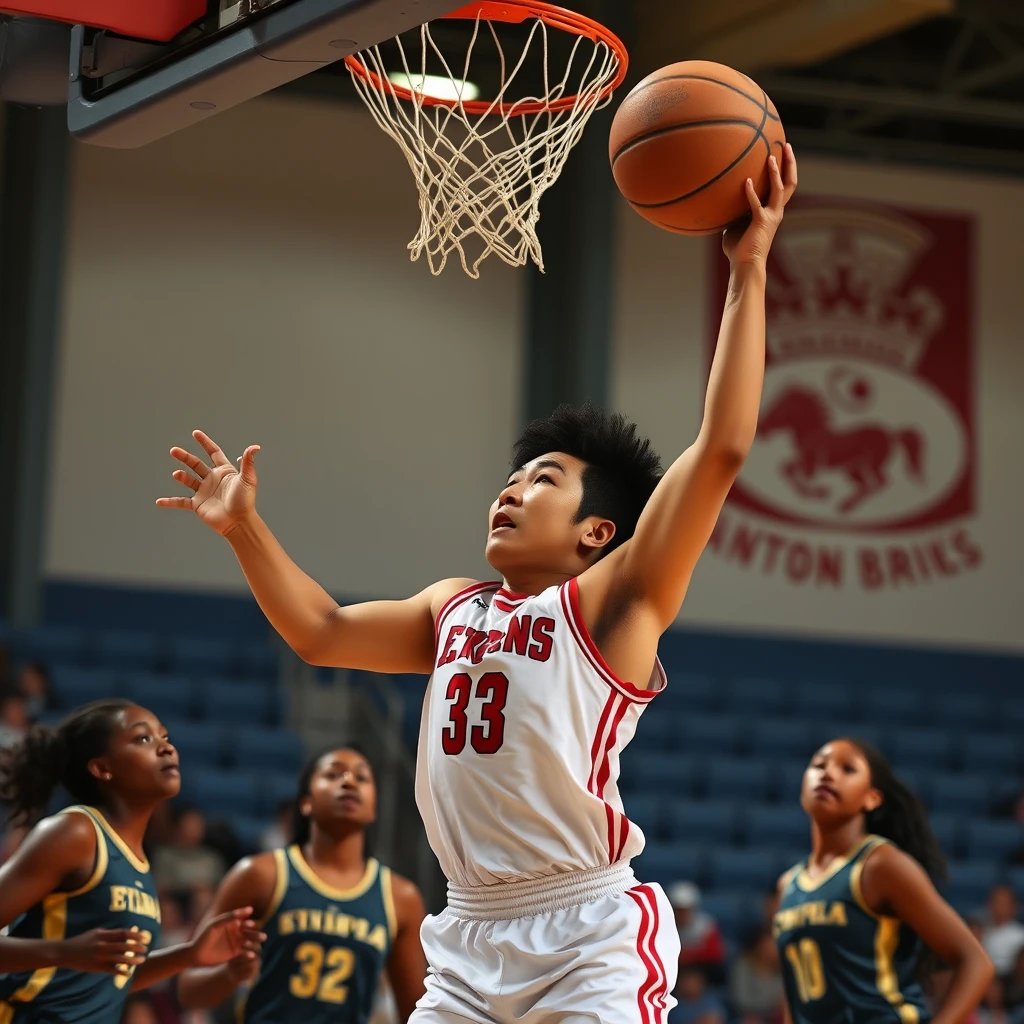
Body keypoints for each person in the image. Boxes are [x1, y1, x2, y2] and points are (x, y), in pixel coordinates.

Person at [157, 146, 800, 1023]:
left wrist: (748, 268)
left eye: (543, 480)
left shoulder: (613, 601)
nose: (510, 489)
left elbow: (721, 448)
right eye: (510, 476)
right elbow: (321, 631)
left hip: (587, 932)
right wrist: (244, 529)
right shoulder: (450, 605)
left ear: (597, 534)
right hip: (466, 936)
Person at [0, 699, 263, 1023]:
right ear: (102, 768)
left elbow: (109, 980)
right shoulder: (76, 832)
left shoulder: (136, 858)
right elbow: (75, 961)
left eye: (165, 737)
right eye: (143, 739)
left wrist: (190, 953)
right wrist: (64, 952)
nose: (166, 748)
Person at [178, 746, 427, 1023]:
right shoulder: (259, 875)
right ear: (305, 802)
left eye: (362, 778)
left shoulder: (400, 897)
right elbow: (188, 990)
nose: (348, 782)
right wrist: (229, 975)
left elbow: (415, 1014)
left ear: (374, 808)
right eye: (333, 775)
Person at [775, 737, 993, 1024]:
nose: (827, 773)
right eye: (818, 765)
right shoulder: (788, 883)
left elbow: (976, 962)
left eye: (847, 769)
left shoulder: (880, 865)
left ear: (872, 798)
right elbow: (797, 997)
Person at [669, 881, 726, 982]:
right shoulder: (663, 925)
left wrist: (687, 955)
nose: (682, 914)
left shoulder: (706, 925)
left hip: (700, 970)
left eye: (686, 909)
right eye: (679, 910)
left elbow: (715, 954)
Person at [729, 929, 784, 1023]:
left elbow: (782, 999)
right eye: (766, 946)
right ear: (759, 946)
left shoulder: (781, 970)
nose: (770, 950)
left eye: (773, 946)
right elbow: (741, 1000)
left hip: (776, 1017)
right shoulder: (743, 966)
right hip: (748, 1017)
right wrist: (771, 1004)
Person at [983, 886, 1024, 980]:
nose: (999, 907)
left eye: (1004, 903)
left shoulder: (1021, 935)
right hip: (984, 977)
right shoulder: (980, 931)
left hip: (1011, 981)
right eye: (996, 902)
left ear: (1013, 907)